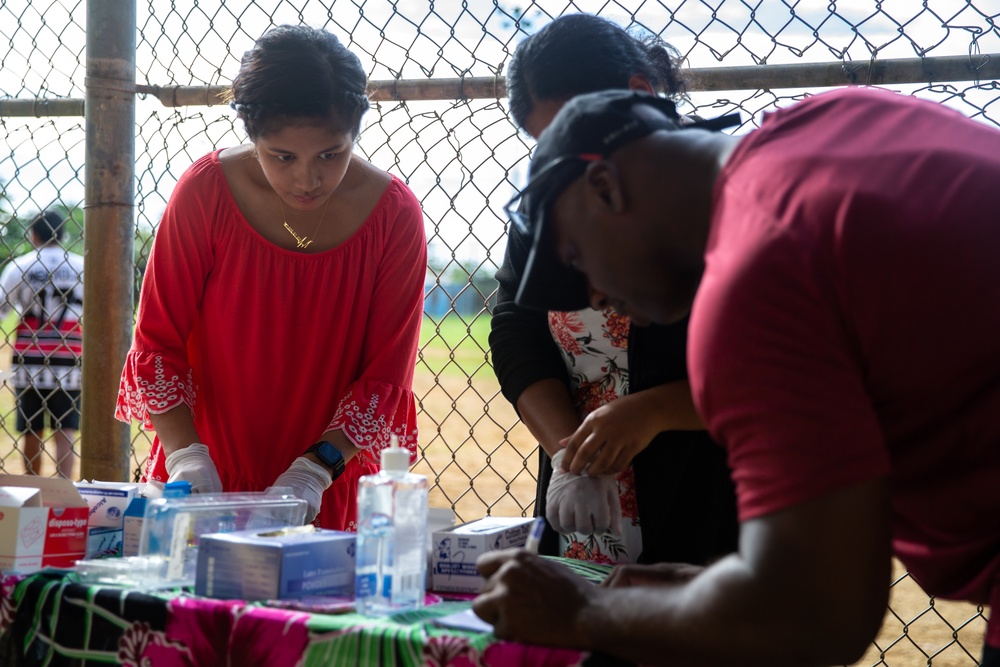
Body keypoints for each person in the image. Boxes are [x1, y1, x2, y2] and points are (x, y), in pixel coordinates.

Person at [473, 87, 1000, 666]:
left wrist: (581, 613)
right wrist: (692, 593)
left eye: (576, 259)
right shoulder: (837, 113)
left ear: (607, 188)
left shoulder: (756, 279)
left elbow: (816, 614)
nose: (595, 297)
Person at [116, 25, 426, 530]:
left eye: (331, 154)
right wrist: (187, 458)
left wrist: (313, 471)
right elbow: (157, 344)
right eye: (283, 157)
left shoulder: (394, 216)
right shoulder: (205, 192)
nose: (308, 180)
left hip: (321, 486)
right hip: (201, 482)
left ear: (356, 132)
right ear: (251, 134)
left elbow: (385, 378)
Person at [491, 13, 738, 565]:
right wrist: (569, 455)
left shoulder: (727, 204)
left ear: (639, 97)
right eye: (541, 147)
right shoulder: (558, 202)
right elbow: (517, 326)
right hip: (584, 504)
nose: (554, 169)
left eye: (570, 137)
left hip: (707, 503)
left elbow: (774, 372)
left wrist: (649, 413)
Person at [0, 210, 84, 479]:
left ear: (33, 234)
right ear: (63, 234)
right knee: (66, 428)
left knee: (31, 427)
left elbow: (2, 307)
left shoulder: (21, 265)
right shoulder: (81, 266)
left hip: (30, 357)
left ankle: (34, 488)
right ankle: (63, 490)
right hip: (68, 354)